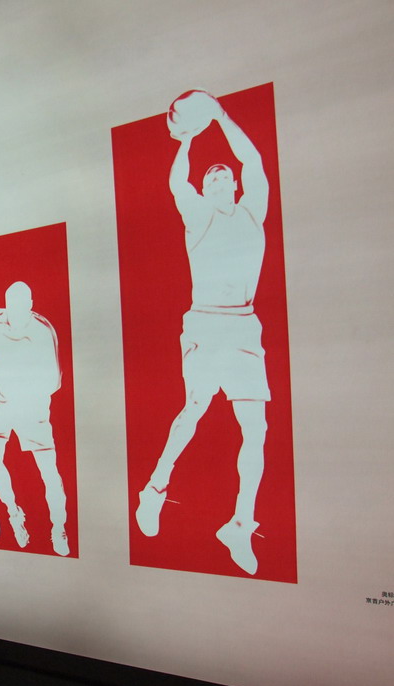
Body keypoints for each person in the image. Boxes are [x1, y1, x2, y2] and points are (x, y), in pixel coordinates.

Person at [136, 90, 269, 575]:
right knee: (194, 409)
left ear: (233, 185)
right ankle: (154, 489)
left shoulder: (252, 213)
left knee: (256, 428)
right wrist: (189, 137)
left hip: (244, 326)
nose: (217, 178)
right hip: (206, 322)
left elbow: (252, 160)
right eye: (209, 177)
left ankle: (240, 524)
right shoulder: (198, 216)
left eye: (223, 175)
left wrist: (221, 115)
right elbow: (177, 182)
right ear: (205, 189)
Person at [0, 281, 68, 555]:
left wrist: (24, 393)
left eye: (19, 309)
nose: (13, 316)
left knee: (48, 471)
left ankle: (59, 528)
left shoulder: (43, 331)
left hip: (31, 407)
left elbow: (54, 381)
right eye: (10, 309)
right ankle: (14, 513)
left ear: (30, 306)